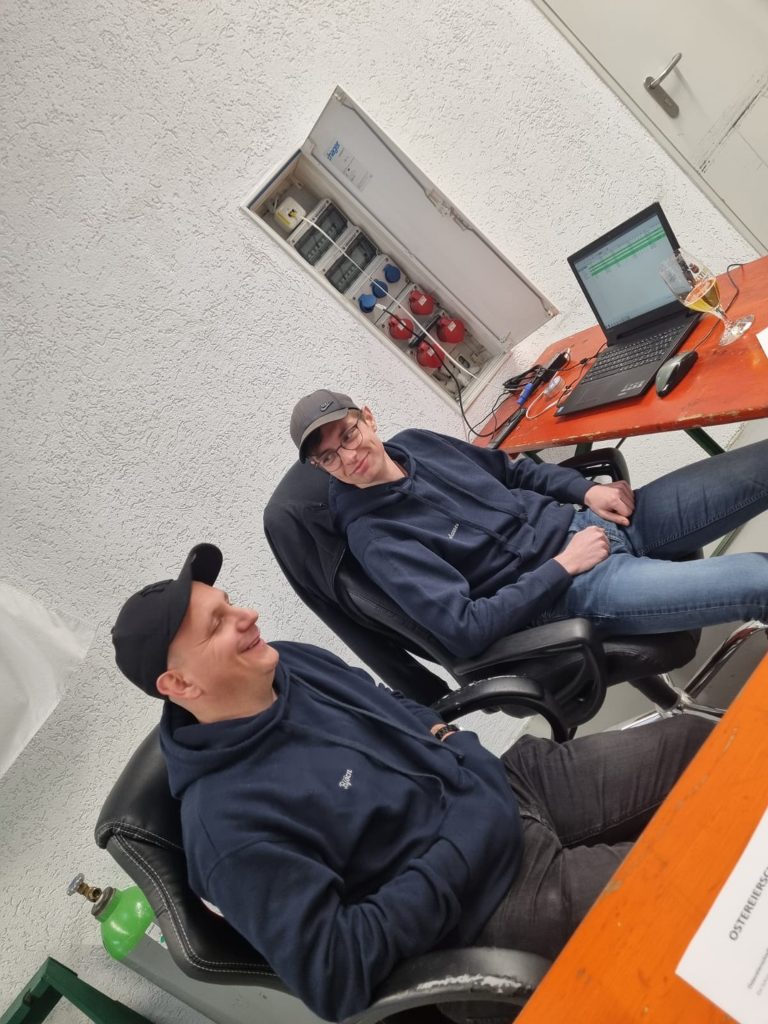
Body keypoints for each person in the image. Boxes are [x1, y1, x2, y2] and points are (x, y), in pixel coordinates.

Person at [112, 543, 711, 1023]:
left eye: (230, 602)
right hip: (485, 911)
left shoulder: (286, 662)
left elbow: (387, 699)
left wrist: (454, 742)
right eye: (218, 624)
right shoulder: (228, 828)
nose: (248, 617)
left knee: (694, 744)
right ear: (179, 685)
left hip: (504, 785)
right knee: (700, 881)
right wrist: (463, 843)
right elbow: (336, 974)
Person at [289, 389, 768, 658]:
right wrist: (564, 565)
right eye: (328, 457)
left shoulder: (416, 443)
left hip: (595, 520)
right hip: (570, 588)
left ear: (369, 418)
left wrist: (586, 491)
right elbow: (464, 629)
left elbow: (512, 471)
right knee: (759, 579)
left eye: (348, 435)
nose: (348, 456)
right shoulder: (374, 535)